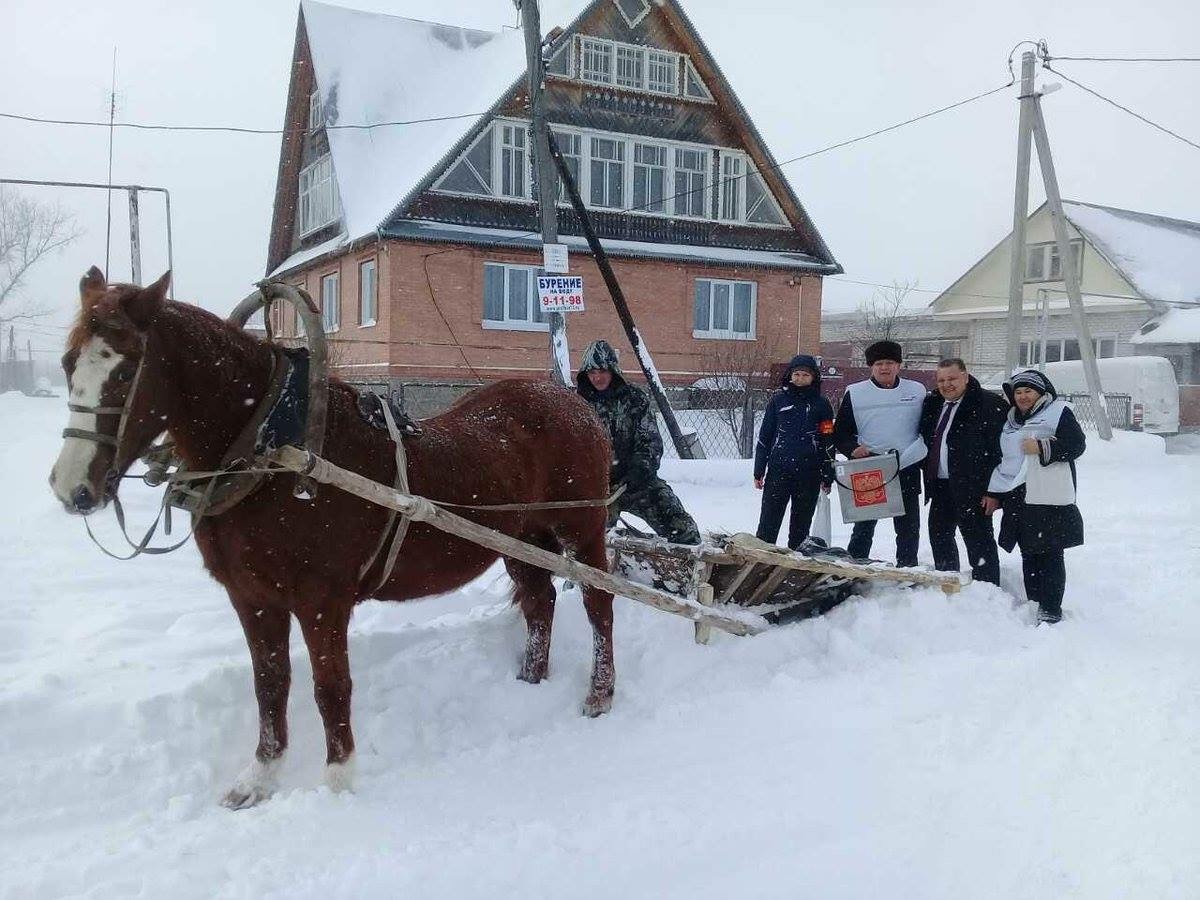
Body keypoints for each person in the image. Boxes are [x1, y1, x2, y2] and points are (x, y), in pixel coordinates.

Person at [983, 370, 1085, 624]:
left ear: (1041, 393)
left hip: (1048, 496)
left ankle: (1051, 609)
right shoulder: (1012, 421)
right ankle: (1035, 602)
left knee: (1050, 553)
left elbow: (1076, 444)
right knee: (1029, 552)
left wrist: (1042, 447)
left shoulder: (1058, 412)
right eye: (1018, 392)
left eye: (1028, 391)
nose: (1023, 396)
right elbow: (1007, 460)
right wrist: (995, 493)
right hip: (1020, 498)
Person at [576, 339, 701, 544]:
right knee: (588, 544)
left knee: (682, 528)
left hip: (634, 482)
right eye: (591, 373)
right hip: (595, 489)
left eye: (602, 371)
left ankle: (682, 570)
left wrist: (640, 469)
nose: (597, 377)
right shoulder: (578, 404)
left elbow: (649, 440)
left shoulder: (634, 398)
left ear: (613, 370)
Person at [831, 340, 927, 566]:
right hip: (870, 468)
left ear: (899, 365)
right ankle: (855, 566)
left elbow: (927, 426)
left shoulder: (917, 391)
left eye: (890, 362)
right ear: (871, 367)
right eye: (879, 363)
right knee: (864, 524)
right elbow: (841, 433)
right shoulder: (855, 393)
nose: (885, 368)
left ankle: (907, 568)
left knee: (908, 526)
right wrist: (852, 449)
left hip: (906, 465)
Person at [919, 358, 1008, 584]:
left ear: (966, 377)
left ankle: (987, 587)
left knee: (978, 539)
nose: (946, 384)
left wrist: (994, 492)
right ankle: (947, 580)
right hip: (939, 484)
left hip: (975, 488)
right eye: (941, 380)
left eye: (952, 378)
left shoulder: (989, 404)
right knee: (939, 534)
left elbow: (1003, 453)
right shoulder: (932, 404)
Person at [753, 354, 835, 549]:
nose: (799, 379)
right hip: (779, 469)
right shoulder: (778, 401)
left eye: (805, 375)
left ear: (813, 377)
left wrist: (827, 473)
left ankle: (796, 568)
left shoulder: (822, 405)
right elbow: (765, 437)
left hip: (809, 472)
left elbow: (828, 440)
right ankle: (762, 564)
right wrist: (759, 470)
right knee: (768, 523)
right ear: (789, 376)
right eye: (796, 374)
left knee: (801, 526)